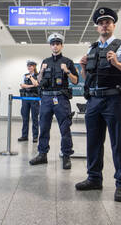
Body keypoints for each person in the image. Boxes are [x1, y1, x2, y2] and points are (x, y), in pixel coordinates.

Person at [75, 7, 121, 202]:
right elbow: (88, 79)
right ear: (97, 27)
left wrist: (118, 64)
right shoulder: (92, 49)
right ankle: (94, 178)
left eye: (108, 22)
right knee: (93, 142)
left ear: (113, 25)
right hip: (94, 100)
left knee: (118, 142)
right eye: (101, 22)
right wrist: (82, 67)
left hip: (114, 100)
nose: (104, 25)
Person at [29, 33, 79, 170]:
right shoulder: (45, 61)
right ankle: (42, 154)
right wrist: (42, 71)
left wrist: (67, 71)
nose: (55, 46)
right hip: (46, 98)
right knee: (43, 127)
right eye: (53, 44)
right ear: (50, 46)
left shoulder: (67, 62)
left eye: (57, 43)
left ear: (62, 45)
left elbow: (75, 81)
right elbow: (38, 81)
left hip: (61, 98)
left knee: (64, 128)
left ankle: (66, 156)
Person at [18, 60, 40, 143]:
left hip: (34, 99)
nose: (29, 67)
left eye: (31, 66)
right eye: (28, 66)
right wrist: (31, 85)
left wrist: (31, 78)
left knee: (35, 118)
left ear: (34, 66)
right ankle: (24, 136)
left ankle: (35, 137)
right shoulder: (24, 75)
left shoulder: (38, 75)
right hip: (25, 98)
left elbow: (37, 84)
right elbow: (22, 85)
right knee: (25, 118)